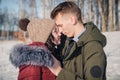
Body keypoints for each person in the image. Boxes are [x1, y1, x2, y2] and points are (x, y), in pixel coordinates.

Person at [48, 1, 107, 80]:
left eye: (60, 25)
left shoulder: (93, 48)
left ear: (72, 20)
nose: (60, 30)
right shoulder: (66, 41)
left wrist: (59, 72)